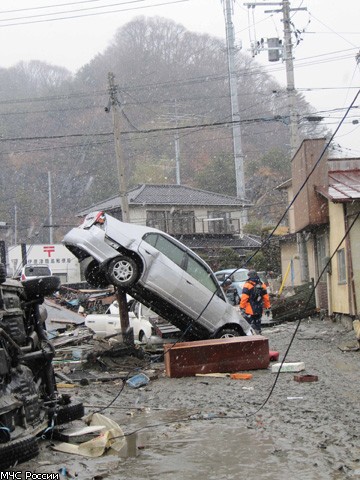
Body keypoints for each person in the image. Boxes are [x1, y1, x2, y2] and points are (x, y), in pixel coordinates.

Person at [239, 269, 271, 334]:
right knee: (258, 323)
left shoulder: (247, 285)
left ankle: (252, 337)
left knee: (250, 325)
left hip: (250, 310)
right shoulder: (262, 285)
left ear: (249, 276)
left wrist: (242, 307)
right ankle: (258, 334)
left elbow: (244, 298)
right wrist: (268, 308)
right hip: (259, 309)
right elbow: (266, 298)